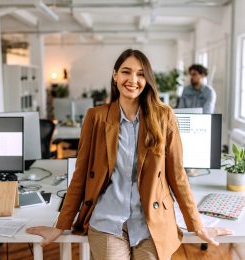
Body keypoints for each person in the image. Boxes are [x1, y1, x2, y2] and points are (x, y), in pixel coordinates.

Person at [26, 49, 232, 260]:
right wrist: (61, 225)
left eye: (141, 74)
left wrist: (197, 225)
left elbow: (177, 175)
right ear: (115, 75)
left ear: (147, 79)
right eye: (126, 72)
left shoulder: (164, 116)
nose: (133, 80)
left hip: (151, 222)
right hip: (107, 221)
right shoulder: (95, 117)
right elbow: (81, 175)